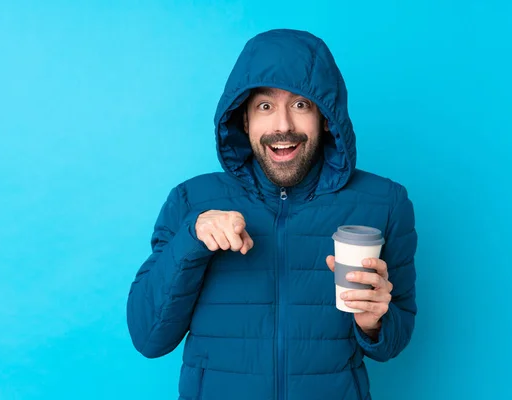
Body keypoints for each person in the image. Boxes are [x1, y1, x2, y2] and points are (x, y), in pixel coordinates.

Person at [126, 28, 417, 400]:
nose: (282, 126)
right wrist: (192, 238)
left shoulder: (384, 204)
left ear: (326, 118)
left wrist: (373, 323)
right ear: (243, 119)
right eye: (265, 106)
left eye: (301, 105)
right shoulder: (191, 200)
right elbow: (148, 337)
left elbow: (396, 338)